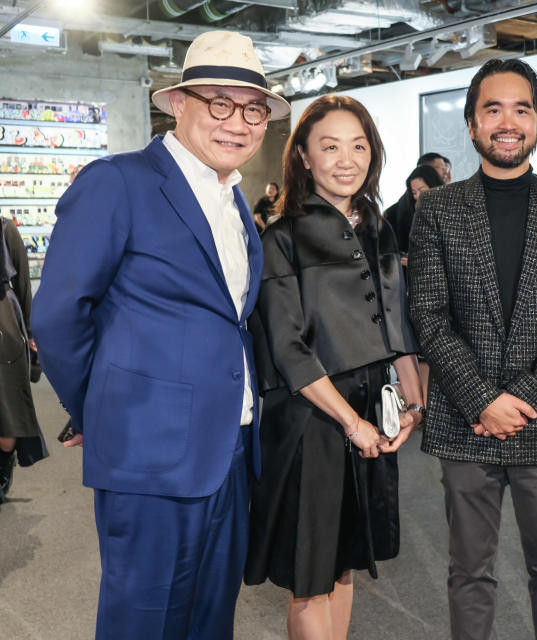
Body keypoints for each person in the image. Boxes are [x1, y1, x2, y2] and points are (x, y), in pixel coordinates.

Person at [31, 31, 289, 639]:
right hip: (150, 452)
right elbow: (58, 314)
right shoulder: (118, 182)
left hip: (229, 450)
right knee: (144, 621)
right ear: (178, 104)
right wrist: (98, 407)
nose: (238, 122)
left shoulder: (234, 204)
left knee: (209, 618)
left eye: (253, 108)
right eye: (219, 103)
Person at [408, 58, 537, 640]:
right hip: (465, 422)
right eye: (492, 109)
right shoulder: (437, 211)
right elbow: (429, 315)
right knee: (469, 571)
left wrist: (522, 397)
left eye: (522, 108)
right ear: (471, 125)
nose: (507, 121)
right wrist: (482, 400)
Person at [244, 94, 423, 640]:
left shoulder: (377, 227)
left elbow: (399, 326)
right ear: (302, 156)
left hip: (372, 406)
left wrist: (414, 404)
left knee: (344, 560)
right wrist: (351, 422)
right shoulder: (281, 237)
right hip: (313, 419)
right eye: (330, 146)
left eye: (359, 145)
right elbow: (289, 348)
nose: (347, 159)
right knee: (310, 574)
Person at [0, 215, 48, 510]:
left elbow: (23, 289)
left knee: (9, 423)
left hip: (5, 334)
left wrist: (31, 335)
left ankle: (4, 469)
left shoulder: (6, 230)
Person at [383, 163, 444, 263]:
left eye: (422, 190)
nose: (417, 196)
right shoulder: (407, 213)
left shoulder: (452, 211)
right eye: (414, 192)